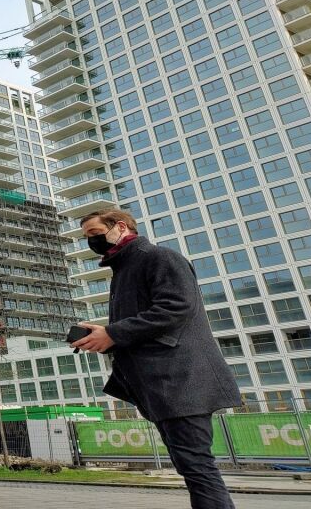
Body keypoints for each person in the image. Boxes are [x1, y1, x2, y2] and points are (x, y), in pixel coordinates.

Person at [73, 209, 240, 509]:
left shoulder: (160, 258)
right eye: (86, 237)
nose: (91, 241)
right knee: (192, 467)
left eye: (94, 233)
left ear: (120, 227)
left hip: (181, 381)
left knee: (198, 468)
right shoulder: (124, 270)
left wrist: (113, 333)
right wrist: (105, 335)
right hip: (163, 386)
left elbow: (177, 307)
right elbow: (143, 323)